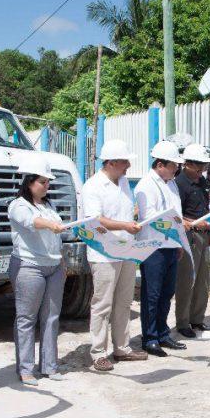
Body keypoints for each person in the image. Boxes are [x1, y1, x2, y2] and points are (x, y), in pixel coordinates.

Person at [82, 140, 147, 371]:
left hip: (126, 250)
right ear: (110, 163)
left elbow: (126, 212)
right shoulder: (93, 186)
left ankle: (122, 347)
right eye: (124, 162)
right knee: (102, 304)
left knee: (124, 302)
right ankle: (98, 352)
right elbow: (95, 220)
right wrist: (124, 226)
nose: (128, 166)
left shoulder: (123, 183)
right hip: (104, 254)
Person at [8, 157, 68, 385]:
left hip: (53, 266)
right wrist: (50, 225)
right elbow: (32, 221)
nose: (46, 186)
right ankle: (25, 369)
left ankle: (50, 366)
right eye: (42, 181)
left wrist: (61, 259)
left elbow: (56, 235)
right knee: (26, 318)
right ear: (29, 182)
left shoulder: (48, 205)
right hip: (29, 265)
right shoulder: (18, 205)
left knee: (51, 317)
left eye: (47, 182)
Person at [135, 140, 187, 356]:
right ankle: (150, 337)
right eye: (173, 165)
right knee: (152, 294)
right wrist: (177, 227)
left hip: (171, 244)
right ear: (160, 164)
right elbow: (150, 218)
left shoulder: (171, 183)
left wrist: (179, 240)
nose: (177, 169)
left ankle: (163, 333)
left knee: (167, 293)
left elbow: (177, 213)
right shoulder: (146, 185)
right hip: (154, 247)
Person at [174, 143, 210, 339]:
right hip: (189, 235)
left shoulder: (202, 183)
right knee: (186, 281)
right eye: (198, 165)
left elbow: (204, 209)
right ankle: (182, 322)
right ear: (187, 164)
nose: (201, 169)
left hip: (204, 235)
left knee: (202, 281)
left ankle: (197, 318)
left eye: (204, 165)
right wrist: (193, 224)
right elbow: (177, 215)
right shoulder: (179, 184)